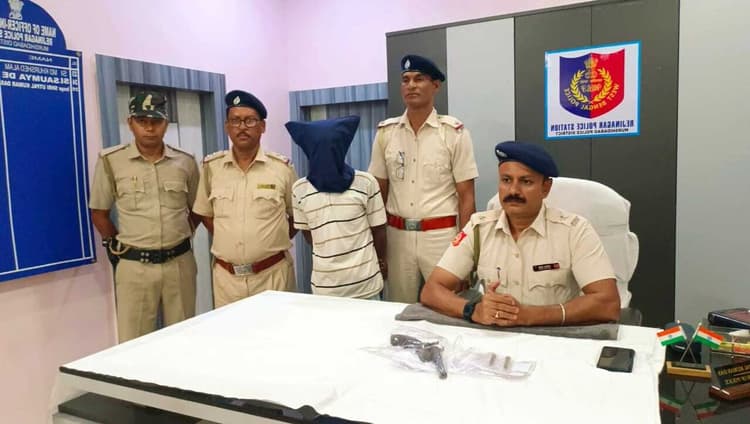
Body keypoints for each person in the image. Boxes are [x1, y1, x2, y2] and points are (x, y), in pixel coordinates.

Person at [420, 141, 620, 326]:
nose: (513, 190)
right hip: (494, 338)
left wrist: (531, 316)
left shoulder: (575, 231)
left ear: (545, 188)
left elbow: (607, 303)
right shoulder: (478, 228)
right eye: (506, 180)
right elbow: (431, 290)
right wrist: (473, 310)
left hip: (554, 338)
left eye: (526, 181)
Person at [89, 91, 200, 342]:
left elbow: (198, 209)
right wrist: (116, 245)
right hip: (134, 266)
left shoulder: (185, 161)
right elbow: (99, 212)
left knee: (183, 338)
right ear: (130, 123)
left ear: (166, 124)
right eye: (142, 121)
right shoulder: (111, 161)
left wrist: (181, 233)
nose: (149, 128)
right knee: (134, 342)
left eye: (156, 121)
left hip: (179, 263)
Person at [368, 54, 478, 303]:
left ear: (435, 85)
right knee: (398, 309)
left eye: (419, 79)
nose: (411, 85)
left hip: (441, 236)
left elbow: (467, 198)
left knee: (448, 306)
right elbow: (378, 194)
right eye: (405, 80)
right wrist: (378, 246)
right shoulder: (386, 133)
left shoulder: (454, 133)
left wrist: (465, 253)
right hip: (397, 237)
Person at [193, 90, 297, 308]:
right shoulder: (212, 168)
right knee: (231, 330)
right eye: (235, 120)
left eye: (250, 120)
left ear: (262, 126)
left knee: (276, 329)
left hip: (272, 275)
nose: (242, 127)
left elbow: (297, 217)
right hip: (226, 280)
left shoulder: (282, 169)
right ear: (227, 126)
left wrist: (270, 239)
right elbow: (205, 214)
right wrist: (230, 237)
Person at [286, 115, 387, 299]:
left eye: (332, 146)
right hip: (326, 289)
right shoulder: (299, 189)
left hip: (366, 286)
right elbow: (309, 234)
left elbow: (379, 229)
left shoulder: (366, 182)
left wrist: (380, 261)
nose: (326, 153)